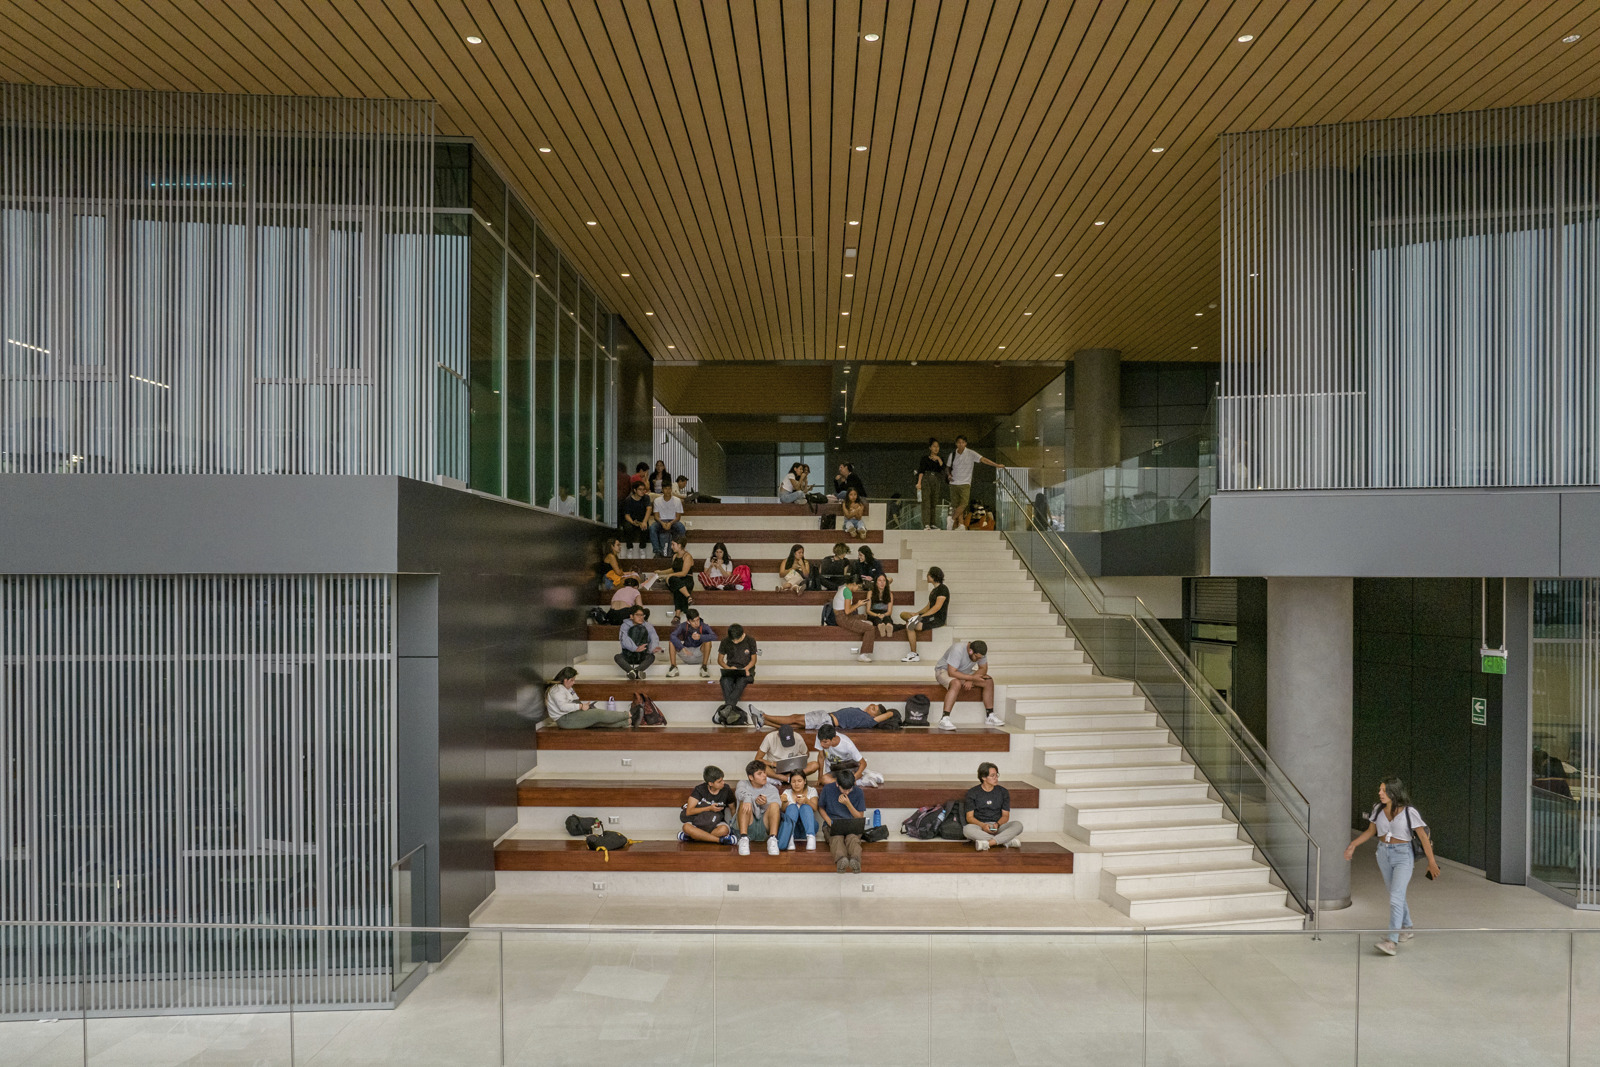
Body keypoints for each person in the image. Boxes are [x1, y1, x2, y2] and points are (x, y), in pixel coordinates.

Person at [1343, 777, 1440, 956]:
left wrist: (1431, 862)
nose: (1380, 793)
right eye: (1380, 790)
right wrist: (1353, 845)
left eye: (1383, 790)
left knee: (1396, 896)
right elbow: (1371, 831)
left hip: (1403, 855)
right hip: (1383, 854)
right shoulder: (1377, 809)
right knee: (1396, 893)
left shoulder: (1410, 812)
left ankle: (1391, 941)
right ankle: (1407, 926)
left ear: (1394, 792)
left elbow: (1424, 837)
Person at [934, 639, 997, 730]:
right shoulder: (957, 649)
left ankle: (990, 715)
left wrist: (970, 680)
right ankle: (944, 719)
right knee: (956, 683)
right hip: (944, 671)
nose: (979, 660)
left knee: (988, 681)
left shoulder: (981, 651)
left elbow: (983, 669)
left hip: (964, 673)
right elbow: (952, 673)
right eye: (977, 657)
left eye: (980, 658)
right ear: (970, 651)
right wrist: (971, 678)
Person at [945, 435, 1005, 530]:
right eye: (959, 442)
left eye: (963, 442)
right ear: (956, 443)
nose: (961, 444)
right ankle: (961, 524)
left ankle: (951, 519)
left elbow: (983, 459)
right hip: (953, 483)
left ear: (966, 443)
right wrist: (949, 475)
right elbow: (948, 467)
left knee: (964, 504)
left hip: (965, 483)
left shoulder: (970, 453)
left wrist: (996, 465)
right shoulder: (952, 454)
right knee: (956, 505)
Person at [543, 666, 629, 729]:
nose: (573, 683)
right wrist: (580, 707)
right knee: (598, 714)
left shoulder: (567, 688)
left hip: (571, 714)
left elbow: (575, 699)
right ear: (566, 680)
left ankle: (626, 722)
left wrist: (584, 706)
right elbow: (563, 707)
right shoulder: (557, 690)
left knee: (596, 722)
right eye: (572, 680)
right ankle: (627, 714)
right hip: (565, 720)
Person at [964, 762, 1021, 849]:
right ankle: (1005, 841)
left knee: (1018, 825)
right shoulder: (973, 792)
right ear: (983, 777)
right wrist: (983, 825)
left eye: (997, 775)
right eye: (992, 775)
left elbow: (1005, 816)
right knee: (967, 830)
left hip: (998, 827)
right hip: (980, 827)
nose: (996, 778)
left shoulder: (1003, 792)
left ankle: (989, 843)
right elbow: (969, 817)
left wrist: (997, 824)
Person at [820, 768, 866, 873]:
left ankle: (855, 861)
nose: (847, 792)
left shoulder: (858, 792)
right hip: (833, 823)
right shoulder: (828, 789)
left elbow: (859, 816)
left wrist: (848, 804)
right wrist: (828, 820)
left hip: (852, 823)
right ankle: (841, 861)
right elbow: (821, 807)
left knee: (852, 838)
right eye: (844, 789)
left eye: (849, 789)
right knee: (836, 838)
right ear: (837, 784)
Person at [899, 566, 949, 660]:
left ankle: (914, 654)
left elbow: (937, 608)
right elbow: (928, 607)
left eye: (929, 574)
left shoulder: (943, 589)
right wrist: (917, 614)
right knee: (903, 614)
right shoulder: (934, 591)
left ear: (933, 576)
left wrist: (921, 617)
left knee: (909, 625)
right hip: (929, 616)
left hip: (937, 618)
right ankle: (913, 653)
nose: (927, 576)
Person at [679, 765, 738, 845]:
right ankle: (720, 840)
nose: (723, 783)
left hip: (716, 822)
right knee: (686, 827)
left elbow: (732, 809)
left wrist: (734, 826)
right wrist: (709, 808)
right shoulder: (699, 790)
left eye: (722, 780)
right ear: (710, 783)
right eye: (719, 781)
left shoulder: (726, 789)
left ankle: (692, 837)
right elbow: (689, 811)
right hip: (699, 821)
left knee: (724, 830)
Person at [735, 760, 783, 856]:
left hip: (764, 827)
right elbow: (739, 792)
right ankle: (743, 838)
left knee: (774, 805)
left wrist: (765, 804)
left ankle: (772, 839)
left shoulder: (772, 788)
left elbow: (778, 805)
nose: (764, 776)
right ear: (751, 777)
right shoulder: (743, 783)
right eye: (760, 774)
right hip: (748, 824)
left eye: (764, 772)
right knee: (744, 802)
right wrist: (748, 799)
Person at [763, 706, 896, 740]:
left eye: (874, 709)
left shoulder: (868, 721)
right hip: (826, 719)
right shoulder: (863, 716)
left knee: (794, 718)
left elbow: (890, 713)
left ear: (877, 716)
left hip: (826, 719)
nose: (870, 707)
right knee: (795, 726)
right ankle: (764, 722)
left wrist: (890, 714)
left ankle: (764, 715)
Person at [829, 580, 878, 662]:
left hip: (842, 616)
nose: (858, 589)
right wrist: (858, 604)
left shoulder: (843, 588)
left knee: (864, 617)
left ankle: (864, 623)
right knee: (870, 628)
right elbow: (847, 611)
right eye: (858, 587)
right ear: (854, 584)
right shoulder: (848, 592)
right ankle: (863, 654)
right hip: (843, 618)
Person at [718, 622, 760, 711]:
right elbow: (720, 660)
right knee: (724, 680)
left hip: (746, 670)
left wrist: (747, 668)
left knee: (741, 681)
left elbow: (754, 660)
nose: (735, 642)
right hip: (731, 669)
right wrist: (729, 668)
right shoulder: (725, 641)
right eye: (733, 640)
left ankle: (727, 708)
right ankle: (730, 710)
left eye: (737, 640)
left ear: (742, 634)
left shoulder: (750, 640)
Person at [778, 770, 820, 852]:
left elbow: (815, 808)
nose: (796, 784)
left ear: (804, 781)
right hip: (793, 830)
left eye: (799, 781)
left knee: (805, 807)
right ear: (790, 783)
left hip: (809, 828)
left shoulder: (811, 790)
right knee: (792, 807)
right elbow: (783, 811)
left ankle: (811, 838)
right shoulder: (787, 792)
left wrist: (806, 800)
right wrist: (785, 802)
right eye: (793, 781)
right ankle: (789, 838)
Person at [668, 608, 716, 678]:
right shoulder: (683, 625)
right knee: (671, 642)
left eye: (697, 620)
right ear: (688, 621)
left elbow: (714, 636)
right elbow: (672, 636)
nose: (696, 623)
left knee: (708, 642)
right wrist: (682, 647)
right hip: (686, 652)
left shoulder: (704, 626)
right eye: (693, 621)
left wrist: (701, 637)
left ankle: (704, 667)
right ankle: (673, 667)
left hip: (699, 653)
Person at [614, 605, 660, 680]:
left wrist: (653, 649)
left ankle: (634, 672)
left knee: (651, 657)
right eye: (638, 615)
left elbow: (654, 638)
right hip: (628, 654)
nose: (641, 617)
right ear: (631, 616)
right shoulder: (624, 626)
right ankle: (633, 671)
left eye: (642, 615)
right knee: (617, 657)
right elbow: (624, 639)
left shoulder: (648, 626)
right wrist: (635, 648)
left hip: (642, 654)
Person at [655, 536, 695, 619]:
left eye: (673, 544)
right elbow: (673, 569)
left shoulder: (687, 556)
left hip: (687, 579)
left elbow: (684, 573)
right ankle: (688, 598)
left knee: (675, 584)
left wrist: (669, 576)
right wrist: (661, 572)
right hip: (677, 580)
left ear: (679, 545)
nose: (671, 546)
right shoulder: (674, 556)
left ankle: (677, 614)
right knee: (675, 583)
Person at [650, 482, 687, 558]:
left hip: (673, 521)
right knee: (652, 527)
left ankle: (680, 550)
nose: (668, 491)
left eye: (669, 489)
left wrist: (670, 523)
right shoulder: (657, 500)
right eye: (665, 489)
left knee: (681, 527)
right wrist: (662, 523)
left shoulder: (677, 500)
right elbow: (656, 516)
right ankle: (657, 551)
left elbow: (678, 517)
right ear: (662, 490)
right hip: (661, 521)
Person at [916, 438, 946, 530]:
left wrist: (939, 459)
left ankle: (932, 523)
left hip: (936, 479)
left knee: (934, 502)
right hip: (926, 478)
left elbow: (943, 468)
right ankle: (926, 524)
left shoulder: (940, 459)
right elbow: (921, 471)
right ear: (930, 448)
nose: (936, 448)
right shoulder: (925, 458)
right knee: (926, 502)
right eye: (934, 446)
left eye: (937, 446)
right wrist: (919, 483)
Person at [619, 481, 654, 556]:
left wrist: (644, 522)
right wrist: (632, 522)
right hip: (631, 520)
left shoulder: (646, 498)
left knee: (646, 528)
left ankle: (642, 548)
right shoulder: (628, 500)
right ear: (635, 490)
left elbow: (649, 509)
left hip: (642, 520)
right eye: (640, 489)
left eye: (643, 489)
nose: (642, 491)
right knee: (627, 527)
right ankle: (629, 548)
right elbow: (626, 515)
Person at [862, 572, 897, 640]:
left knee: (887, 618)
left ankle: (889, 626)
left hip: (885, 613)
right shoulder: (870, 593)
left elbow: (889, 612)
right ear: (876, 582)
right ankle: (881, 626)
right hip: (873, 614)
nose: (882, 583)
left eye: (884, 581)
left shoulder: (890, 594)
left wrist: (883, 615)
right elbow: (868, 611)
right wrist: (877, 615)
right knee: (877, 619)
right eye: (880, 580)